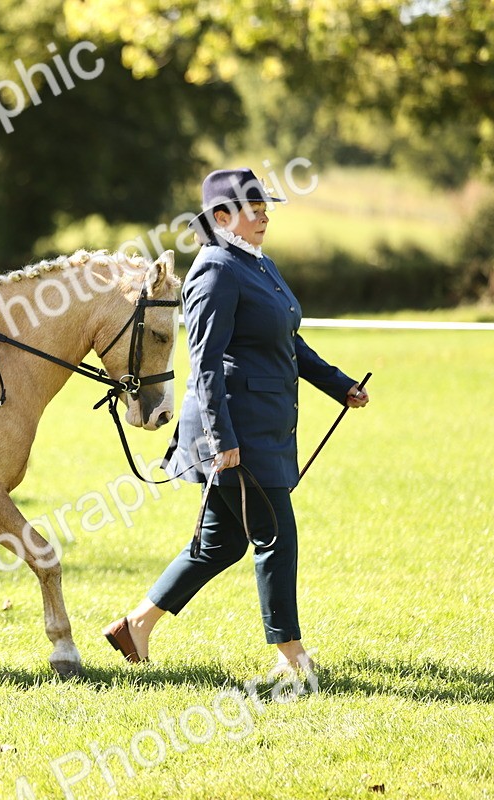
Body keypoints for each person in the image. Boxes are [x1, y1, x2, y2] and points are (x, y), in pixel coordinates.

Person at [103, 168, 370, 674]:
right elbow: (204, 361)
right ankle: (292, 658)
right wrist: (221, 438)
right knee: (275, 533)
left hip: (263, 427)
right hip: (233, 433)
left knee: (219, 544)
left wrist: (339, 384)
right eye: (255, 208)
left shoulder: (257, 264)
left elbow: (288, 342)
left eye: (265, 206)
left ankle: (134, 627)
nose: (265, 215)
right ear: (223, 217)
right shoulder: (216, 269)